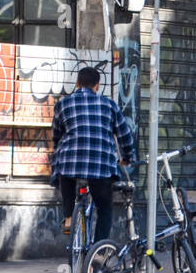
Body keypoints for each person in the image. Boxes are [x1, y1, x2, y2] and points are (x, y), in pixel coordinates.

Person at [50, 67, 135, 242]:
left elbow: (56, 136)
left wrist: (60, 151)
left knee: (64, 172)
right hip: (100, 166)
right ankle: (99, 251)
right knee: (104, 208)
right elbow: (124, 135)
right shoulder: (109, 105)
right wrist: (127, 157)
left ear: (77, 83)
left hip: (70, 163)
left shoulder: (63, 104)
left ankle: (69, 218)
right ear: (97, 86)